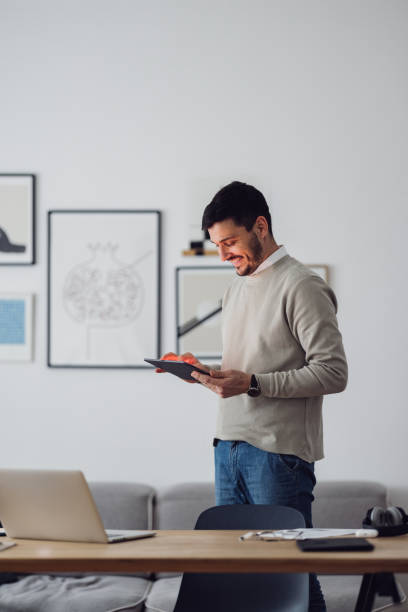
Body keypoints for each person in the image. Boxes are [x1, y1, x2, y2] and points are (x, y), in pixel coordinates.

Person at [158, 181, 348, 612]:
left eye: (230, 242)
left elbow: (333, 372)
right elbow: (249, 366)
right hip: (228, 447)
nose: (223, 254)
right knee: (238, 580)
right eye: (217, 244)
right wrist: (204, 374)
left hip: (278, 455)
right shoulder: (236, 287)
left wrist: (254, 383)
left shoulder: (302, 285)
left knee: (292, 579)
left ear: (260, 226)